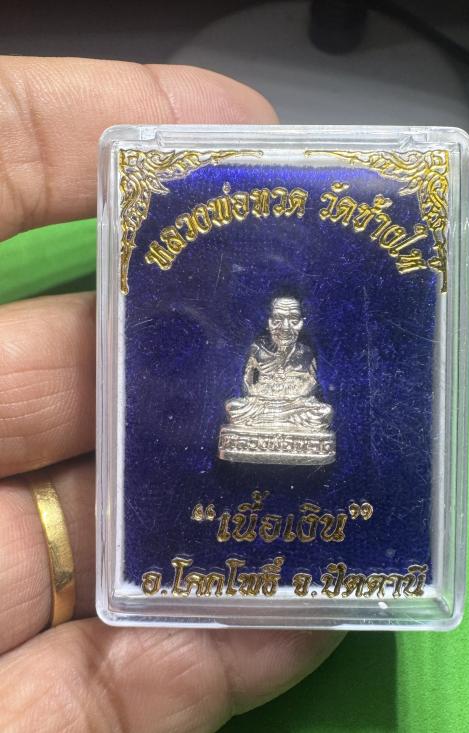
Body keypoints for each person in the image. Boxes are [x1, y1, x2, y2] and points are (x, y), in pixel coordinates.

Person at [0, 57, 343, 732]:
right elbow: (249, 387)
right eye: (276, 322)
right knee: (243, 410)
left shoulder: (301, 350)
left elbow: (304, 385)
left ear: (298, 323)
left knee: (315, 410)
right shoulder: (258, 346)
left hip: (292, 413)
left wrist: (289, 388)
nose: (281, 329)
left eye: (288, 322)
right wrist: (269, 390)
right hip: (261, 413)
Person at [225, 297, 334, 430]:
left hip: (296, 406)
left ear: (301, 323)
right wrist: (263, 391)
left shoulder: (306, 353)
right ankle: (278, 420)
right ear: (269, 322)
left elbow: (312, 383)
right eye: (278, 319)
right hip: (261, 404)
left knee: (325, 412)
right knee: (233, 407)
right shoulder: (257, 350)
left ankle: (269, 421)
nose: (285, 327)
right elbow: (248, 382)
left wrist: (294, 393)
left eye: (294, 320)